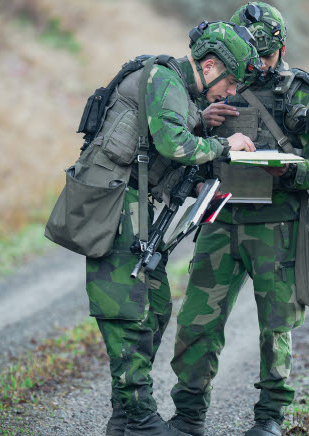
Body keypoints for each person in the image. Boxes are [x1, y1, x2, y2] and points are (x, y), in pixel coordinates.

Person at [78, 21, 263, 436]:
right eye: (230, 81)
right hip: (112, 206)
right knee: (129, 313)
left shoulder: (178, 90)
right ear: (210, 64)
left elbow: (152, 156)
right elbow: (174, 146)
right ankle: (140, 420)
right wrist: (224, 145)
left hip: (131, 206)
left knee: (157, 306)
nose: (231, 91)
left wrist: (198, 184)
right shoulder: (164, 78)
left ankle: (124, 418)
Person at [168, 4, 309, 436]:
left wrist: (290, 170)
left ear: (279, 48)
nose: (252, 66)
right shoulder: (216, 84)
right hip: (219, 217)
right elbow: (182, 142)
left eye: (261, 57)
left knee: (275, 326)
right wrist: (204, 123)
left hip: (276, 225)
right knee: (196, 323)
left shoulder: (300, 93)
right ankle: (187, 416)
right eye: (244, 57)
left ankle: (270, 420)